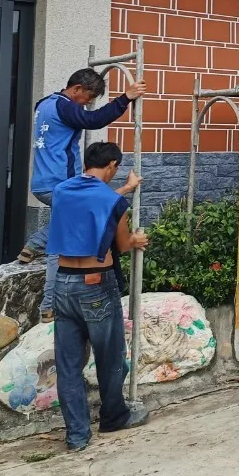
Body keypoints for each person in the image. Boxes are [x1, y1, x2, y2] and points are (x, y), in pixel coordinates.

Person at [20, 68, 145, 320]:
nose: (87, 104)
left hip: (44, 181)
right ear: (76, 89)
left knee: (72, 222)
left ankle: (33, 248)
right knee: (60, 245)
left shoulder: (44, 104)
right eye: (88, 97)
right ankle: (49, 306)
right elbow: (93, 120)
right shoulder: (64, 106)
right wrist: (126, 98)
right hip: (61, 184)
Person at [50, 141, 150, 451]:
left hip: (62, 283)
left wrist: (125, 189)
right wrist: (137, 239)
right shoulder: (112, 201)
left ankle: (77, 436)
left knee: (68, 365)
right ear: (112, 166)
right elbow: (121, 244)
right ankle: (113, 416)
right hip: (96, 285)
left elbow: (92, 204)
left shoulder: (61, 191)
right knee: (110, 357)